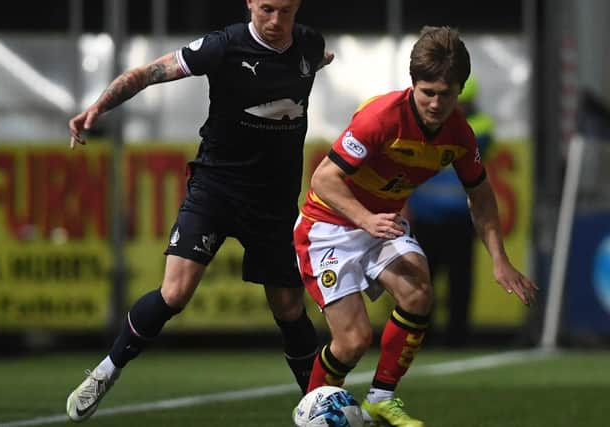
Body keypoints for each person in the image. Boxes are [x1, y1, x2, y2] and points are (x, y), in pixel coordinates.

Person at [66, 0, 334, 422]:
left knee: (288, 309)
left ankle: (320, 405)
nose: (276, 21)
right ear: (250, 3)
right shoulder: (222, 46)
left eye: (285, 11)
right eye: (266, 9)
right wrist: (99, 107)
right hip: (217, 188)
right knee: (175, 293)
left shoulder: (309, 44)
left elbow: (309, 65)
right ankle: (106, 370)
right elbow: (145, 74)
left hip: (274, 202)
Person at [293, 26, 537, 427]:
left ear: (460, 90)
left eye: (447, 93)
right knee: (352, 342)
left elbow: (482, 196)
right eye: (428, 92)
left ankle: (381, 399)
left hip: (381, 224)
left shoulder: (459, 133)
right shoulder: (382, 118)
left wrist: (500, 260)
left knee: (419, 288)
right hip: (329, 227)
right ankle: (313, 415)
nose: (437, 103)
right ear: (413, 85)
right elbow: (323, 179)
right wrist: (366, 218)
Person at [405, 75, 495, 347]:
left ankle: (457, 337)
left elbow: (473, 140)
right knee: (423, 281)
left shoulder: (477, 129)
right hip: (425, 216)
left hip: (459, 218)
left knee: (459, 283)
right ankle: (420, 337)